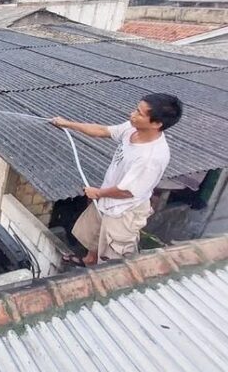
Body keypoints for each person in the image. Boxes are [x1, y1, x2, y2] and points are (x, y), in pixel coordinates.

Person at [51, 93, 183, 266]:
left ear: (157, 124)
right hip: (108, 199)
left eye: (140, 114)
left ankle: (100, 280)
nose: (132, 115)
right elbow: (102, 131)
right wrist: (67, 124)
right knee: (95, 236)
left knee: (112, 257)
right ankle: (88, 260)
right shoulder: (133, 128)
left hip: (124, 211)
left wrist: (97, 192)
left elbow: (126, 191)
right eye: (136, 109)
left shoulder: (151, 158)